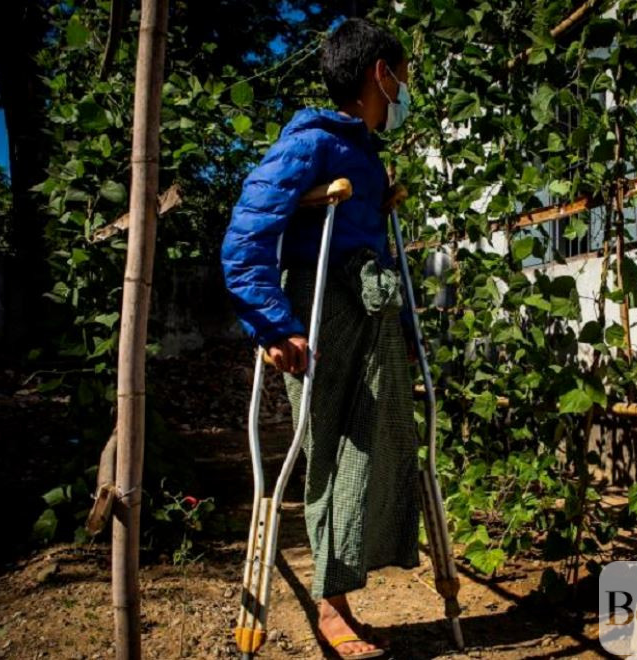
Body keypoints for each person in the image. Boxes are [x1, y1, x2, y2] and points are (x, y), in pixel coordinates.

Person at [220, 17, 418, 660]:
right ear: (379, 75)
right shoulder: (310, 143)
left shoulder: (363, 151)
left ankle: (343, 595)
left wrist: (375, 208)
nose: (404, 93)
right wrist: (273, 323)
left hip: (366, 307)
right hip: (321, 308)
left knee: (375, 445)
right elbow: (245, 236)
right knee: (332, 451)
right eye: (402, 79)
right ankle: (332, 607)